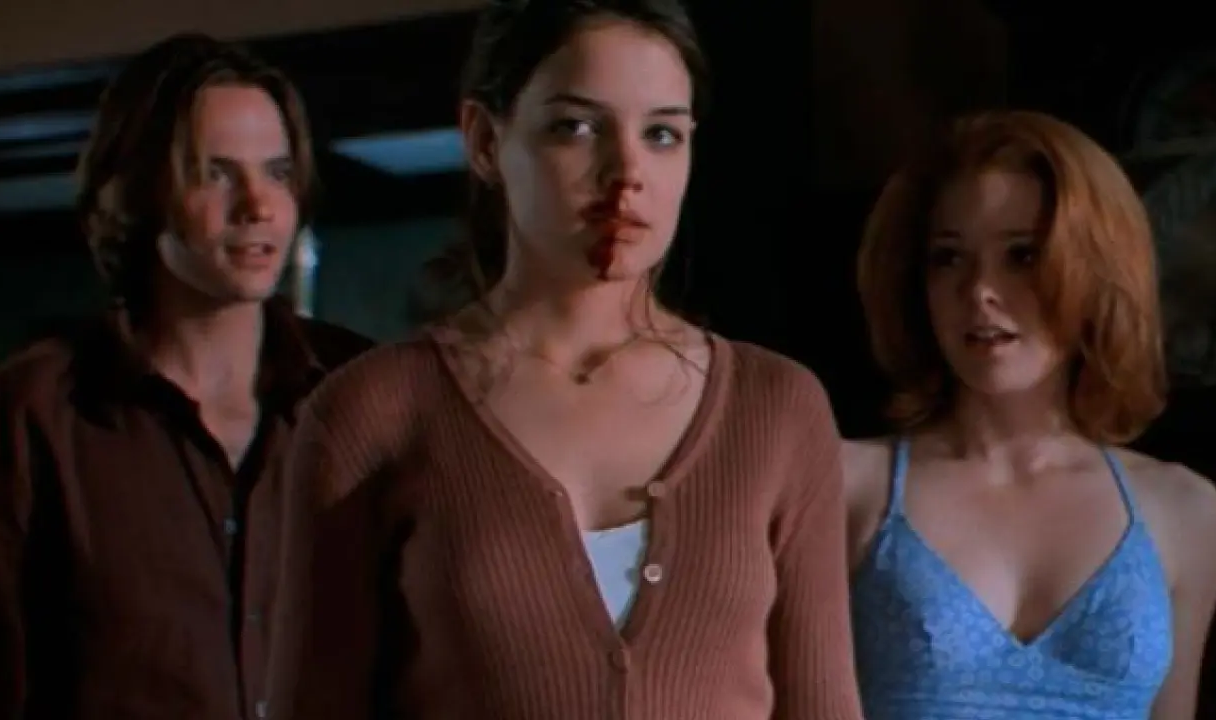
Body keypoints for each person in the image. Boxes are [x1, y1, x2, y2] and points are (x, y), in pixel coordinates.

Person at [265, 1, 865, 718]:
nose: (627, 171)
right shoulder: (372, 412)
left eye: (663, 134)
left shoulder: (777, 408)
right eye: (576, 127)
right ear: (484, 140)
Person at [0, 33, 372, 719]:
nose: (259, 205)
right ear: (142, 191)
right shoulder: (26, 416)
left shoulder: (360, 391)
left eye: (278, 172)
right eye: (216, 173)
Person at [845, 109, 1216, 719]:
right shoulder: (849, 487)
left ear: (1095, 270)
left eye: (1021, 256)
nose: (979, 291)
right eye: (948, 257)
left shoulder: (1186, 511)